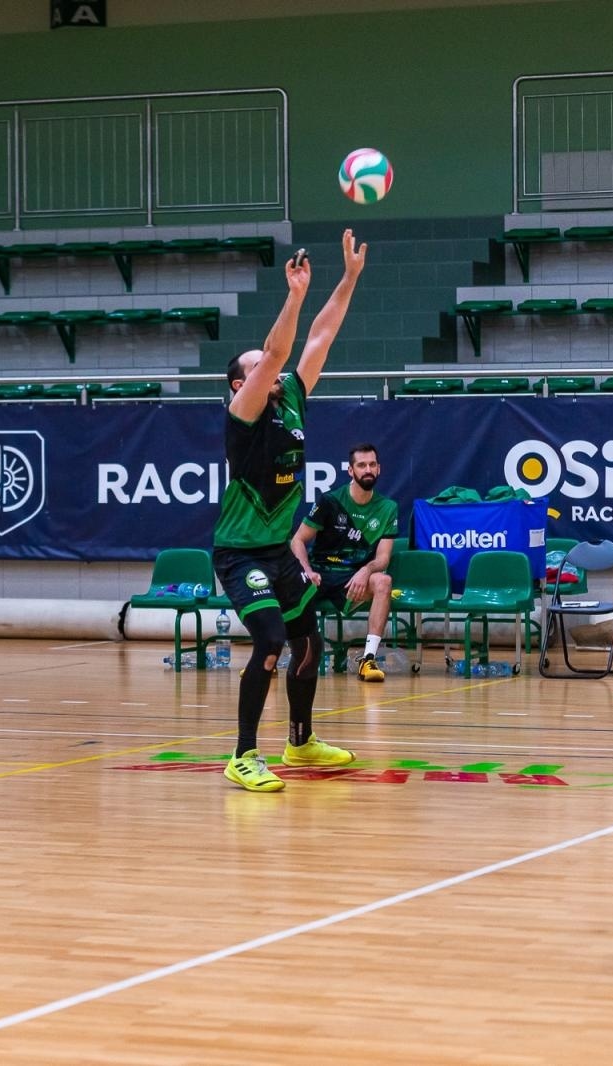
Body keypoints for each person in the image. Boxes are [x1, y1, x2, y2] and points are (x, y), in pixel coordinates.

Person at [213, 231, 368, 793]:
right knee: (272, 640)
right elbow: (277, 351)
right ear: (241, 383)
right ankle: (243, 755)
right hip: (239, 555)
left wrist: (347, 278)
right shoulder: (244, 413)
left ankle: (300, 741)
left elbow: (321, 337)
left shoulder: (292, 396)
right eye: (259, 368)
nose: (273, 371)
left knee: (310, 642)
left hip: (278, 552)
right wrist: (295, 295)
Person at [291, 443, 398, 682]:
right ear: (351, 471)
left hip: (352, 579)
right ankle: (269, 657)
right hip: (319, 573)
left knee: (383, 582)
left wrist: (365, 570)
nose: (367, 469)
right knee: (283, 583)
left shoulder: (388, 508)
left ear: (379, 469)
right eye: (361, 465)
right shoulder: (330, 501)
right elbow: (298, 540)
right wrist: (306, 570)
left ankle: (368, 660)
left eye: (372, 465)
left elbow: (383, 558)